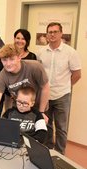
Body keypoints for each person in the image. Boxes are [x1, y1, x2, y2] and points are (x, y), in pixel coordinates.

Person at [37, 22, 81, 154]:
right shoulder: (41, 52)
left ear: (61, 34)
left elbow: (77, 74)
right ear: (46, 35)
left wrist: (66, 86)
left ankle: (60, 155)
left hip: (62, 95)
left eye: (55, 31)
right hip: (46, 96)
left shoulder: (70, 52)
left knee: (61, 127)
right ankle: (49, 151)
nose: (52, 34)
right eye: (50, 32)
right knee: (47, 125)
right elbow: (38, 73)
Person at [0, 44, 50, 122]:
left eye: (12, 59)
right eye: (4, 60)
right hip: (19, 108)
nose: (8, 64)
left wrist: (41, 112)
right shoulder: (2, 76)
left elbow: (45, 87)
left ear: (19, 57)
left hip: (38, 105)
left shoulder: (35, 67)